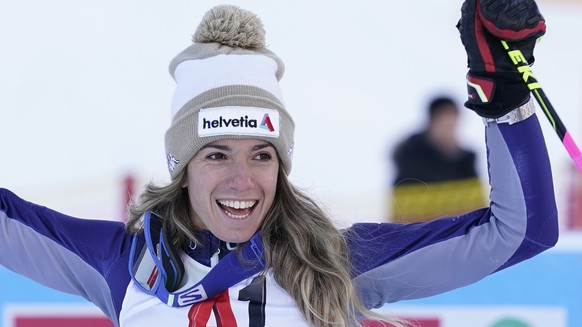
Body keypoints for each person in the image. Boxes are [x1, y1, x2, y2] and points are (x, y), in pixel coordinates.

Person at [0, 2, 558, 327]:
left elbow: (520, 234)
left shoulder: (335, 264)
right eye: (217, 155)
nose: (242, 181)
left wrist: (505, 99)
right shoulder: (122, 262)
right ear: (182, 165)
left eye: (262, 155)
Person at [389, 95, 486, 222]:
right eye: (445, 126)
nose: (450, 131)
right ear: (432, 123)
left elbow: (477, 208)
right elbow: (402, 212)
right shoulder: (411, 157)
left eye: (452, 126)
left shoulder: (466, 160)